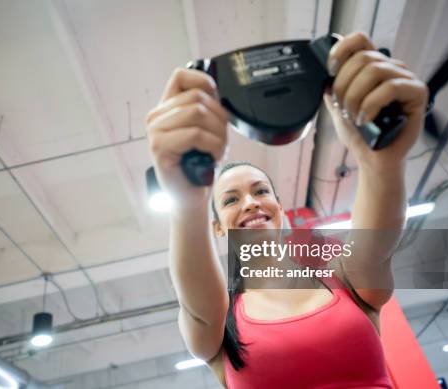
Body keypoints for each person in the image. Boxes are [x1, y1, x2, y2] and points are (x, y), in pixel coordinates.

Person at [145, 31, 428, 388]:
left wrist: (382, 163)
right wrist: (187, 202)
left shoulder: (344, 280)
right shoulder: (219, 322)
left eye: (260, 191)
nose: (250, 203)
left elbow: (378, 241)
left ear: (279, 207)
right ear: (217, 226)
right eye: (230, 200)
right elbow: (195, 299)